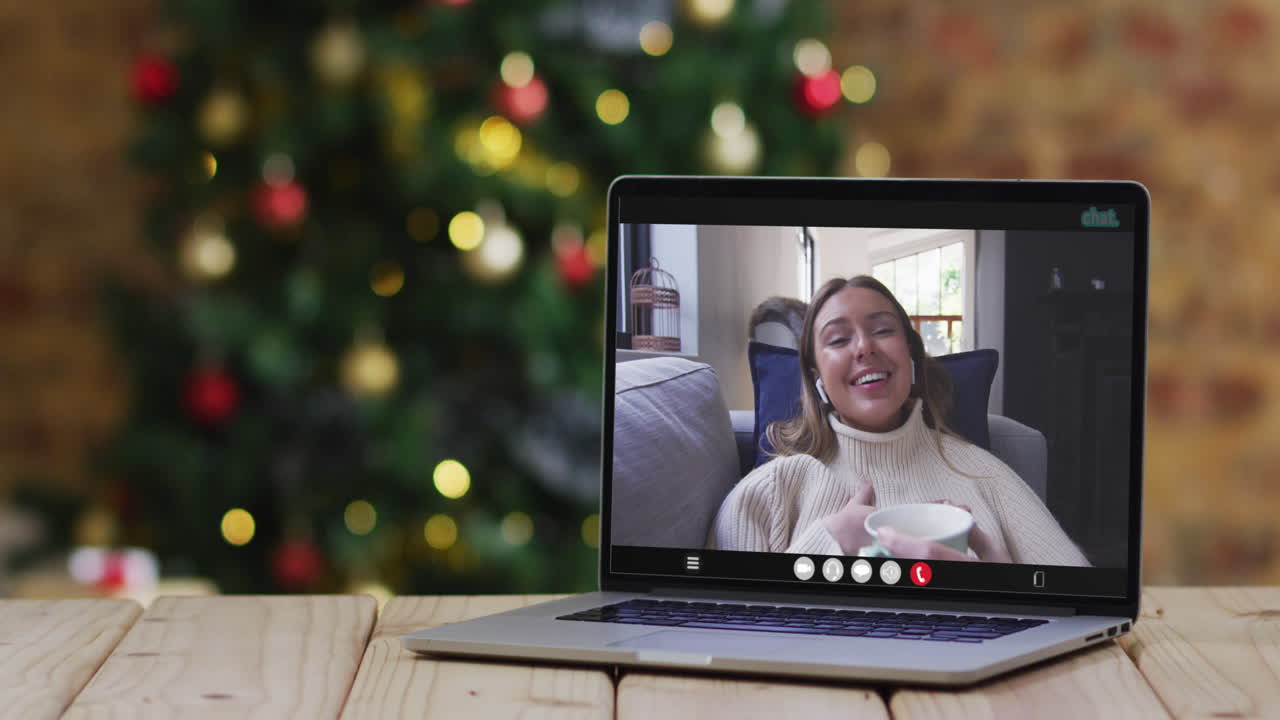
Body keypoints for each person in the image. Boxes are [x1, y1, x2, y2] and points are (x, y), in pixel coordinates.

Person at [706, 275, 1090, 567]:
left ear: (910, 354)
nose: (864, 347)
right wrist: (831, 540)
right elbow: (725, 633)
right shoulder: (769, 492)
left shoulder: (985, 475)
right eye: (838, 340)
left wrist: (1005, 591)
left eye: (883, 331)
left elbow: (1078, 602)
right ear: (816, 375)